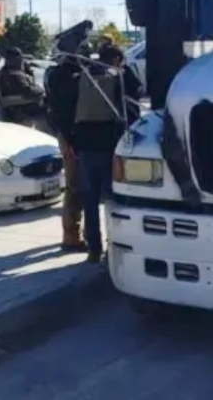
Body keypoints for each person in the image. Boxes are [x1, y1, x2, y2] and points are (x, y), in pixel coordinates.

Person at [72, 43, 142, 263]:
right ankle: (115, 245)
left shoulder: (82, 76)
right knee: (114, 199)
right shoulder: (119, 76)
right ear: (117, 60)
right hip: (111, 144)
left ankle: (94, 249)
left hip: (85, 145)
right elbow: (137, 93)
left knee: (90, 200)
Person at [45, 45, 87, 252]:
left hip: (70, 137)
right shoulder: (67, 78)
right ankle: (72, 236)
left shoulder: (56, 75)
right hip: (73, 138)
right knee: (76, 187)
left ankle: (75, 235)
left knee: (77, 187)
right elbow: (63, 111)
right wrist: (69, 139)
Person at [0, 47, 46, 126]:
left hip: (12, 116)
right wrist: (41, 90)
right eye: (21, 59)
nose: (22, 62)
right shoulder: (14, 75)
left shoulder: (3, 74)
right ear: (15, 60)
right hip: (20, 117)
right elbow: (29, 91)